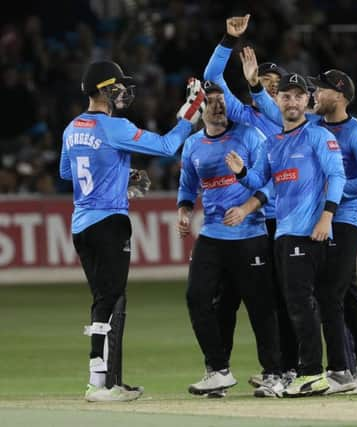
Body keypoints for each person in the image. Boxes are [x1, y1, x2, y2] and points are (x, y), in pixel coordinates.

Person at [241, 51, 357, 395]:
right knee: (346, 296)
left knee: (329, 296)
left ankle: (340, 371)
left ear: (338, 95)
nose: (314, 95)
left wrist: (330, 199)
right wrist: (253, 86)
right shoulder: (316, 127)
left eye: (320, 91)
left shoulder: (354, 132)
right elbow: (274, 112)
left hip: (346, 217)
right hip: (324, 217)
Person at [59, 60, 206, 402]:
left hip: (81, 224)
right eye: (118, 86)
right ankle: (102, 383)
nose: (124, 92)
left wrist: (118, 176)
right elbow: (168, 147)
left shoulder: (71, 128)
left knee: (103, 298)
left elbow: (69, 174)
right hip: (110, 221)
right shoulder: (115, 127)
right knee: (111, 299)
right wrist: (191, 111)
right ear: (103, 89)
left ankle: (104, 378)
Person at [225, 73, 346, 397]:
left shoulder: (317, 136)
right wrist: (241, 173)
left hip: (308, 233)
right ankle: (302, 371)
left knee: (302, 304)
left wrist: (327, 217)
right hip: (283, 233)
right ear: (276, 101)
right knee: (295, 305)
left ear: (308, 101)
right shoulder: (272, 143)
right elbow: (260, 183)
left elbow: (337, 176)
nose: (291, 102)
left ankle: (313, 374)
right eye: (285, 96)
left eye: (297, 96)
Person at [202, 14, 299, 386]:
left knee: (284, 299)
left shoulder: (284, 120)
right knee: (240, 300)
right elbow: (212, 78)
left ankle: (289, 368)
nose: (272, 93)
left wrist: (256, 86)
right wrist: (228, 40)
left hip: (282, 219)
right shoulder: (244, 115)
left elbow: (273, 112)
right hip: (251, 223)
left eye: (277, 88)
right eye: (267, 86)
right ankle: (224, 370)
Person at [176, 81, 283, 398]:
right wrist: (183, 212)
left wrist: (247, 207)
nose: (219, 105)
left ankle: (274, 374)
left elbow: (273, 180)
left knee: (260, 307)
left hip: (250, 232)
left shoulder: (250, 135)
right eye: (212, 101)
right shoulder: (193, 145)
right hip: (211, 234)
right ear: (201, 107)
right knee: (197, 298)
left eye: (223, 100)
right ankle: (218, 370)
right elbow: (187, 186)